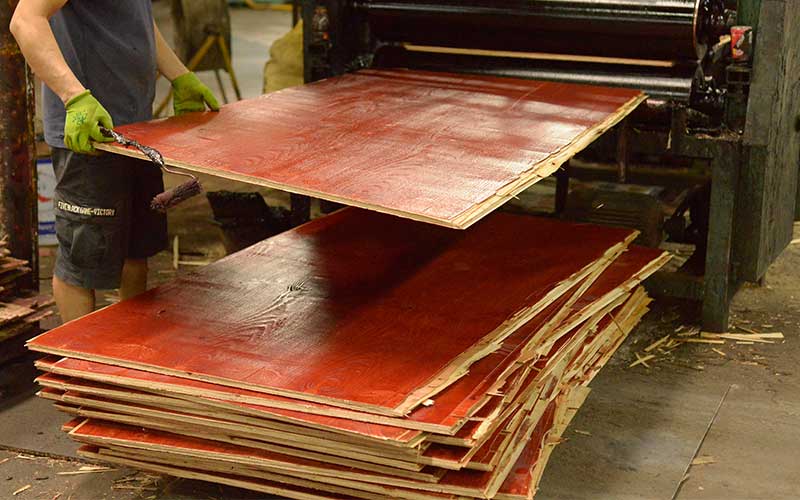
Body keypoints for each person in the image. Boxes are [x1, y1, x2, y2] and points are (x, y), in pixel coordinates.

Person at [10, 0, 220, 322]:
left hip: (137, 130)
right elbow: (25, 21)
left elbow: (135, 18)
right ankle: (79, 353)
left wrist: (179, 74)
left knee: (135, 252)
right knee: (82, 264)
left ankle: (129, 342)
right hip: (91, 136)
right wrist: (74, 97)